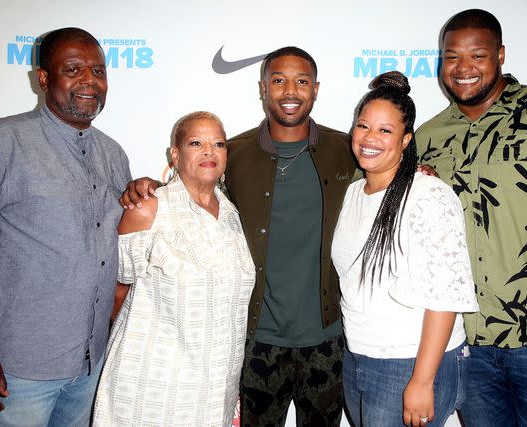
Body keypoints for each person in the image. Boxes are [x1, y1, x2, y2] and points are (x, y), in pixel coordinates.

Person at [120, 46, 357, 426]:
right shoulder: (235, 152)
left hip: (326, 338)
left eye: (302, 81)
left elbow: (386, 172)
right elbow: (193, 190)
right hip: (256, 340)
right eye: (278, 81)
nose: (290, 91)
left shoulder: (346, 150)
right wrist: (148, 184)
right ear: (263, 88)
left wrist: (420, 168)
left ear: (316, 89)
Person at [416, 9, 527, 426]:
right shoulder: (427, 137)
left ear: (501, 55)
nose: (463, 68)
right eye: (451, 56)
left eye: (477, 55)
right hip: (467, 349)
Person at [0, 27, 132, 426]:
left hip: (89, 365)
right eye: (73, 69)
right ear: (44, 78)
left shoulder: (114, 154)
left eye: (98, 71)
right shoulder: (0, 141)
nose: (89, 80)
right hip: (16, 369)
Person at [332, 71, 478, 427]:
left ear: (405, 139)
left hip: (410, 362)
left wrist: (422, 380)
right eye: (364, 126)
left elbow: (444, 298)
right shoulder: (353, 193)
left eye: (385, 130)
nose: (370, 138)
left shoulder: (429, 195)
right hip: (359, 356)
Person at [93, 112, 255, 426]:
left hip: (216, 387)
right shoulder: (148, 209)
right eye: (197, 143)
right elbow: (115, 290)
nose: (209, 151)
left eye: (218, 144)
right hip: (154, 383)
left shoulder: (233, 214)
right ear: (175, 154)